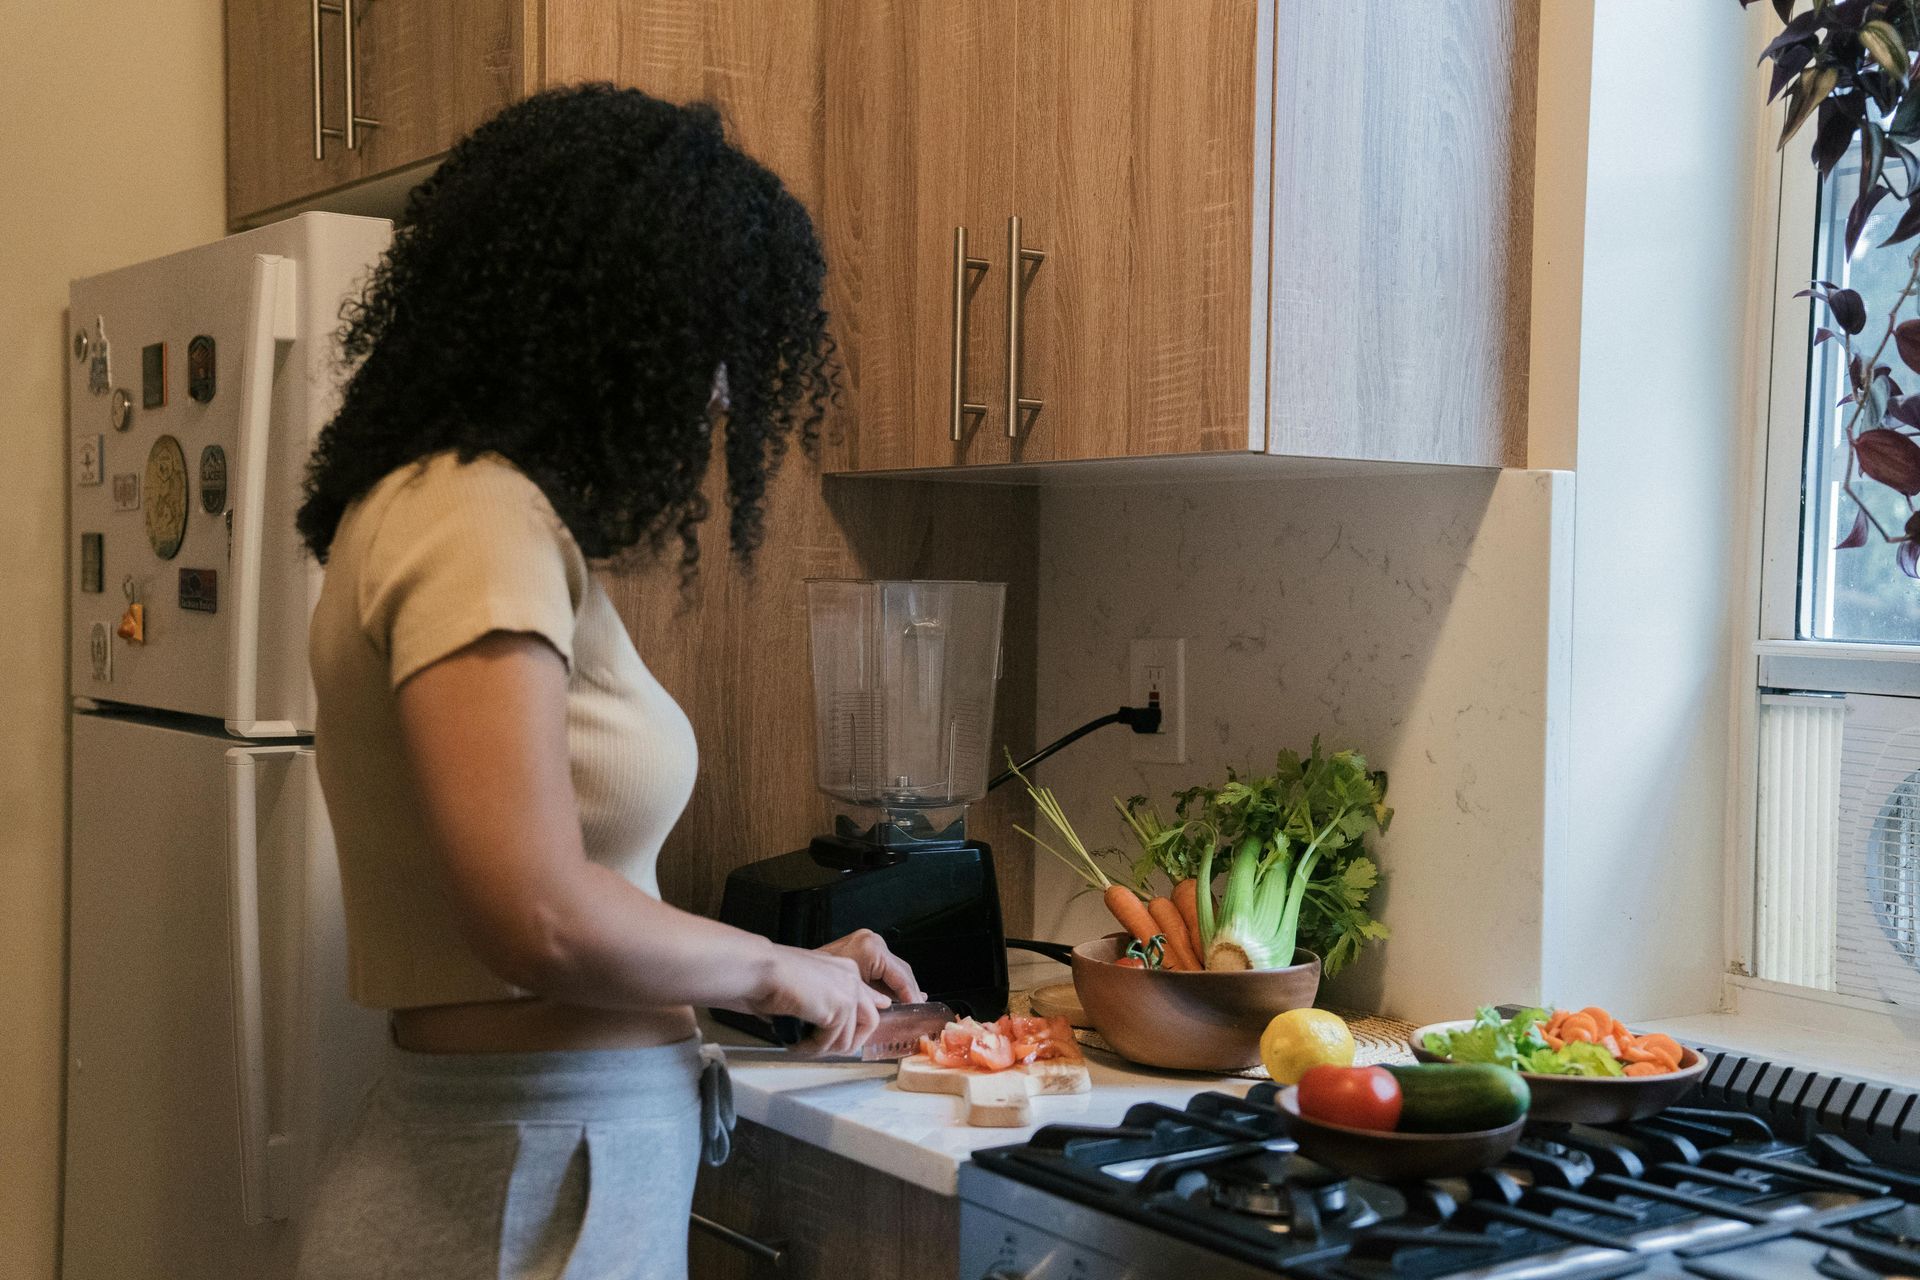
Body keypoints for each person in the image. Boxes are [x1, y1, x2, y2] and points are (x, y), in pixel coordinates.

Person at [293, 84, 922, 1280]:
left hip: (533, 1160)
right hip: (518, 1177)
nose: (725, 391)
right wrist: (772, 965)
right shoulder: (477, 513)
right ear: (617, 316)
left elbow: (569, 893)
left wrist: (774, 969)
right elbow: (533, 912)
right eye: (712, 343)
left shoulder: (452, 506)